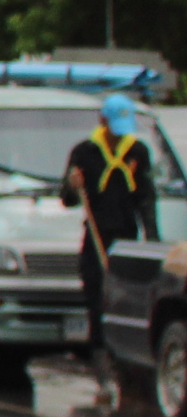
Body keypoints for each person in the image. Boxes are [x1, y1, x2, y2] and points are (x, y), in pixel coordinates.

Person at [63, 93, 157, 371]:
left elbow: (145, 197)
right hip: (96, 236)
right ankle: (100, 356)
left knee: (127, 300)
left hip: (127, 239)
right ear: (102, 120)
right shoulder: (83, 152)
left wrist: (152, 238)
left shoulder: (137, 151)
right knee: (96, 298)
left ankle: (126, 360)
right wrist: (72, 185)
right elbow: (67, 199)